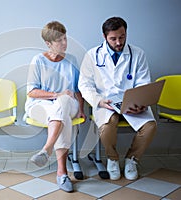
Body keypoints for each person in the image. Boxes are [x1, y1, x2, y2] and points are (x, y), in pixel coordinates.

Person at [78, 17, 156, 181]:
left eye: (122, 37)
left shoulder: (138, 54)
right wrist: (99, 101)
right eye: (113, 38)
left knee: (150, 126)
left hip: (132, 103)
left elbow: (143, 82)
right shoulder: (92, 55)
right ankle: (112, 159)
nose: (119, 42)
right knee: (107, 127)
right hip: (106, 103)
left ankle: (132, 160)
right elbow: (84, 85)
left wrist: (141, 102)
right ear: (105, 36)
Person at [25, 21, 86, 192]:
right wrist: (57, 95)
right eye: (59, 40)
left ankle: (47, 149)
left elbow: (77, 89)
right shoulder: (37, 60)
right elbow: (32, 92)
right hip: (41, 105)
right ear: (48, 43)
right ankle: (62, 173)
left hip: (68, 103)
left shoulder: (72, 60)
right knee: (62, 112)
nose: (64, 43)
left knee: (64, 102)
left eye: (65, 38)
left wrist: (81, 109)